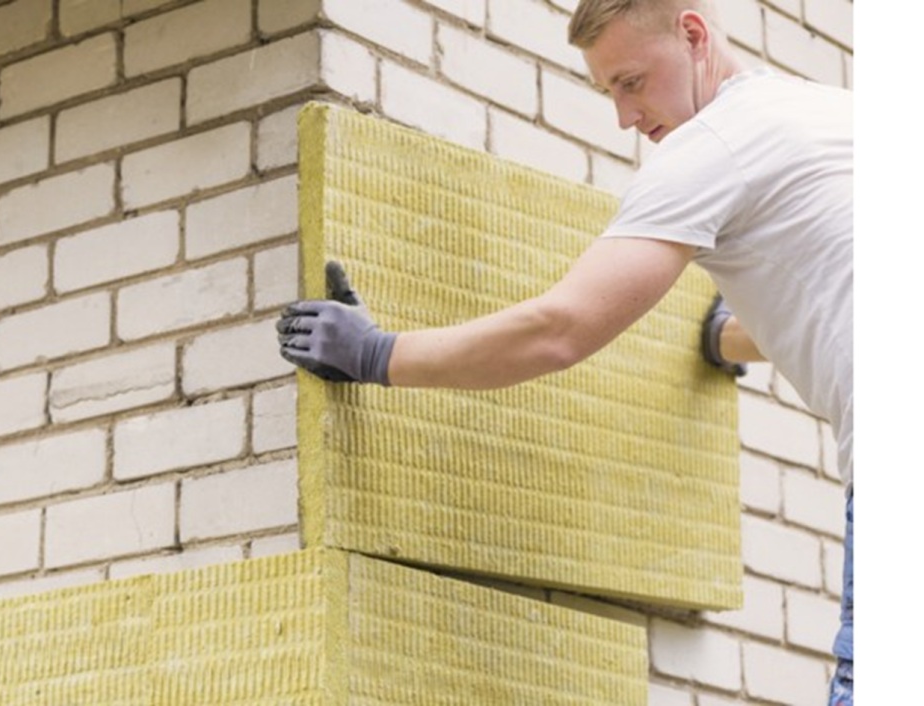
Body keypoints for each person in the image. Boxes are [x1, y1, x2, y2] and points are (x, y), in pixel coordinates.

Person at [275, 0, 853, 702]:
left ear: (694, 35)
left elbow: (560, 328)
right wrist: (726, 338)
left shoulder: (714, 148)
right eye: (609, 91)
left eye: (632, 81)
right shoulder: (836, 117)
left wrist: (377, 355)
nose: (625, 117)